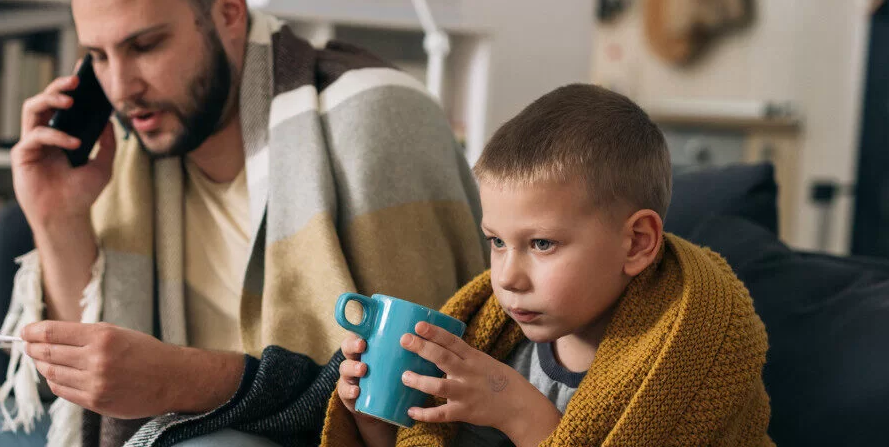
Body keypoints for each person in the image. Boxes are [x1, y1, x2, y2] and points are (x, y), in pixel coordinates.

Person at [0, 0, 487, 445]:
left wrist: (179, 381)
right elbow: (87, 412)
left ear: (230, 11)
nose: (121, 88)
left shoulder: (375, 119)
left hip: (280, 438)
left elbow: (415, 404)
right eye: (98, 56)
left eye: (146, 45)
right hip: (141, 431)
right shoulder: (128, 155)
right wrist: (58, 215)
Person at [324, 84, 774, 446]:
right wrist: (377, 425)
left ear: (637, 243)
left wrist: (521, 414)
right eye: (497, 242)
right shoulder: (496, 342)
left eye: (541, 243)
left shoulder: (689, 357)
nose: (507, 277)